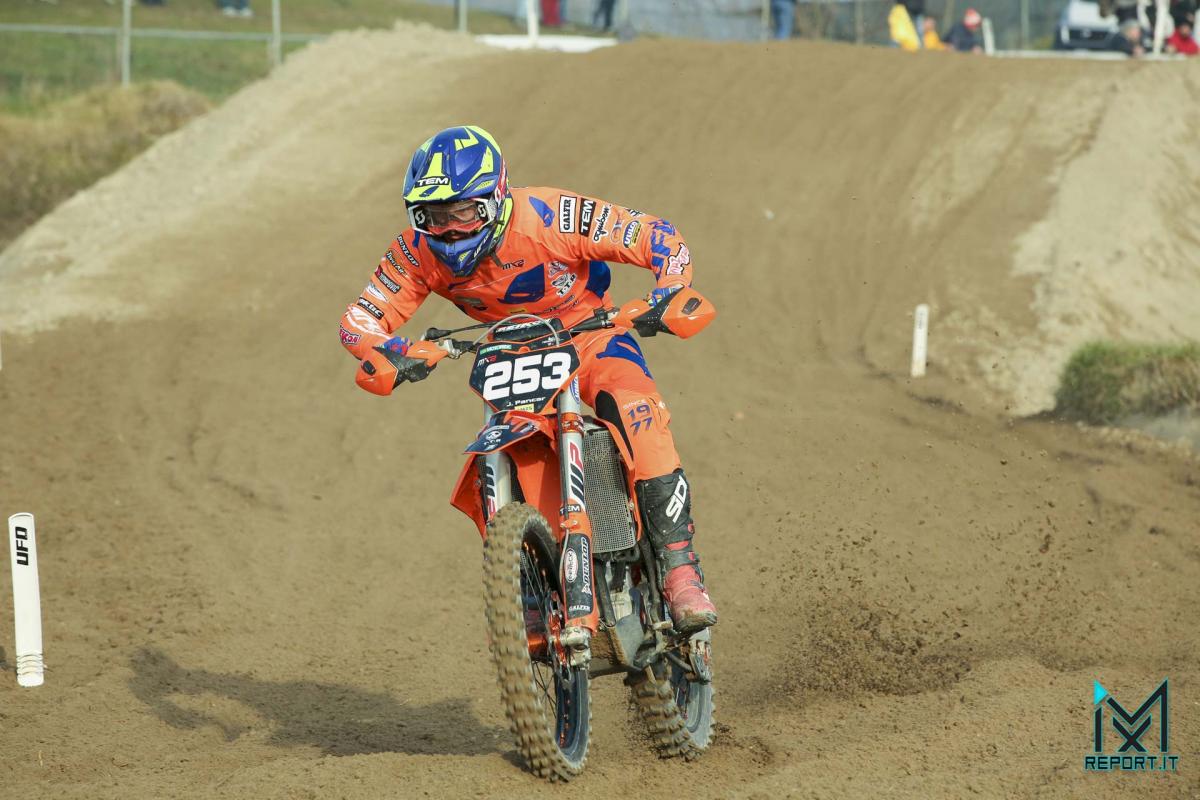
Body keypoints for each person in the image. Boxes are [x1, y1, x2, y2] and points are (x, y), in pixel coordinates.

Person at [338, 126, 719, 634]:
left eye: (463, 213)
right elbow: (359, 319)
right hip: (507, 355)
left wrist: (668, 288)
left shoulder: (550, 215)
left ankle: (679, 570)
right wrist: (392, 350)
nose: (448, 230)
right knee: (494, 453)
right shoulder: (416, 251)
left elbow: (655, 234)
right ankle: (527, 583)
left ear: (496, 197)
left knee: (638, 415)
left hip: (590, 335)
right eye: (432, 216)